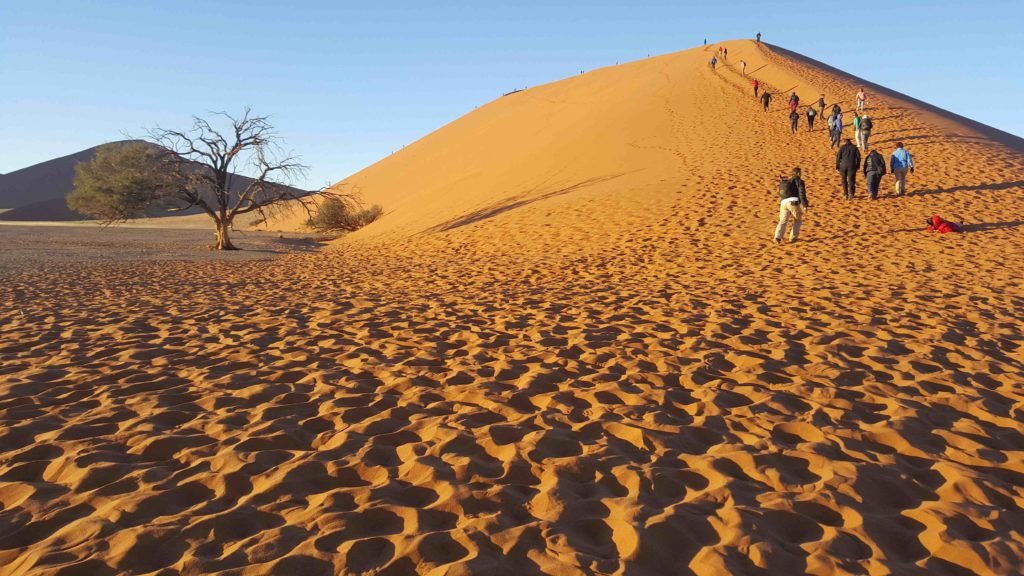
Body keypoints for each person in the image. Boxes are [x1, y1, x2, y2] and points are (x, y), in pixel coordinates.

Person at [774, 167, 810, 243]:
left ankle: (777, 237)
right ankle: (793, 238)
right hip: (793, 202)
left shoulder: (787, 182)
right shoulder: (799, 181)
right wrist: (805, 205)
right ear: (798, 173)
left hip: (783, 203)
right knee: (798, 220)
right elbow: (802, 194)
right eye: (800, 173)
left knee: (783, 221)